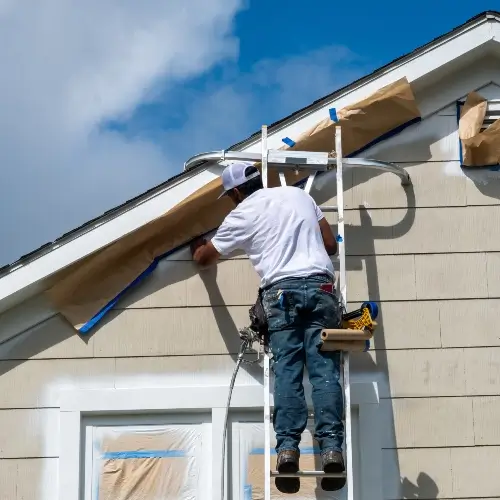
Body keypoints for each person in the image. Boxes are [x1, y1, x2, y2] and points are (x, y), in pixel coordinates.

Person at [190, 162, 345, 494]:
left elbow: (206, 258)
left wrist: (196, 246)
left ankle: (288, 450)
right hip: (322, 289)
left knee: (288, 370)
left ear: (234, 193)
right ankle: (332, 449)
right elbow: (330, 245)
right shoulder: (299, 196)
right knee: (324, 370)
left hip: (283, 294)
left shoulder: (241, 214)